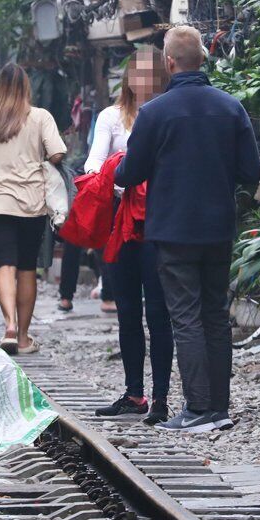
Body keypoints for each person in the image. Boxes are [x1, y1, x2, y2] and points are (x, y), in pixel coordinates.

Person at [115, 25, 260, 433]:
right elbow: (251, 170)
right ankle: (219, 408)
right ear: (202, 59)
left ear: (169, 62)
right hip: (218, 228)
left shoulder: (154, 113)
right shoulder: (231, 108)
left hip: (173, 230)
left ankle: (197, 409)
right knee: (216, 314)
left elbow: (130, 173)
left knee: (185, 317)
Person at [90, 46, 174, 423]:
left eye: (148, 74)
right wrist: (117, 177)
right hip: (122, 222)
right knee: (126, 311)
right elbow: (94, 164)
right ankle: (133, 392)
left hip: (158, 222)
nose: (141, 82)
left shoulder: (168, 112)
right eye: (135, 74)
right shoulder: (111, 117)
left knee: (158, 312)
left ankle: (160, 397)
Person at [0, 63, 66, 354]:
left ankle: (8, 325)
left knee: (3, 264)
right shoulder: (39, 117)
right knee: (26, 269)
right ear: (26, 88)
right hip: (32, 202)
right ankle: (22, 337)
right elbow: (58, 151)